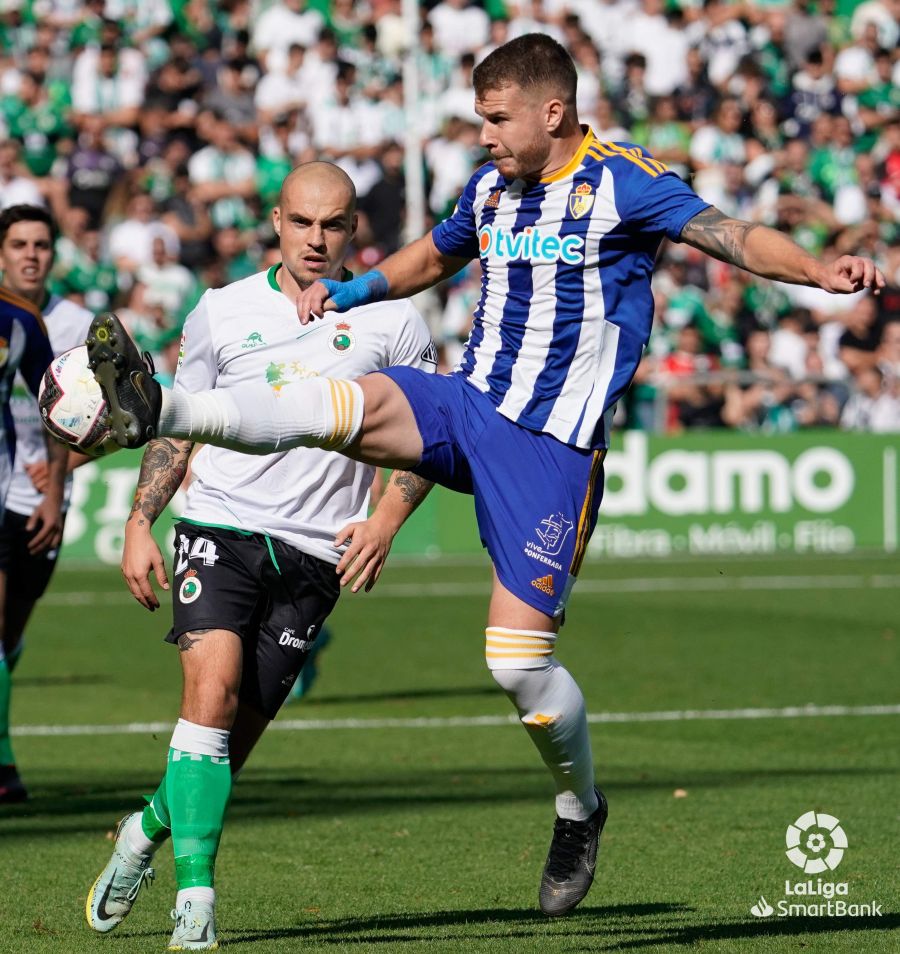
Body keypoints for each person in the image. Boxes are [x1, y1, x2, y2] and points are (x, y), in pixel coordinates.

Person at [87, 34, 886, 920]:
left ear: (554, 111)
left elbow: (730, 235)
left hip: (551, 452)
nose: (487, 136)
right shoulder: (492, 188)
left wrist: (818, 268)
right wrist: (354, 295)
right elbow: (434, 257)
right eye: (480, 120)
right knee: (336, 403)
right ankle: (160, 410)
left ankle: (580, 808)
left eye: (498, 119)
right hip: (470, 404)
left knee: (516, 663)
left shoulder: (624, 181)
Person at [85, 162, 435, 951]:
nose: (318, 239)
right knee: (209, 697)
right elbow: (177, 425)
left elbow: (424, 432)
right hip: (220, 523)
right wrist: (143, 520)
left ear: (354, 231)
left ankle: (146, 828)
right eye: (304, 222)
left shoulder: (395, 321)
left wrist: (385, 517)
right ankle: (197, 905)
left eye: (335, 225)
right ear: (277, 221)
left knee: (225, 749)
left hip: (317, 552)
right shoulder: (221, 311)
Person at [0, 205, 70, 803]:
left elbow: (64, 408)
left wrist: (55, 488)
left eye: (40, 244)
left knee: (12, 628)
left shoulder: (50, 322)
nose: (30, 255)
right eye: (18, 243)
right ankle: (4, 764)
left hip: (38, 496)